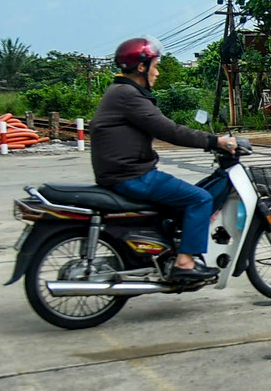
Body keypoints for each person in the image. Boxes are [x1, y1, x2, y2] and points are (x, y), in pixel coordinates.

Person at [91, 37, 239, 281]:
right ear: (141, 67)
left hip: (121, 172)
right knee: (200, 198)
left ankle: (170, 248)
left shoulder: (119, 91)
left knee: (182, 198)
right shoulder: (129, 95)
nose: (157, 72)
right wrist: (215, 141)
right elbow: (168, 130)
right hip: (132, 176)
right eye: (155, 65)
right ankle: (185, 263)